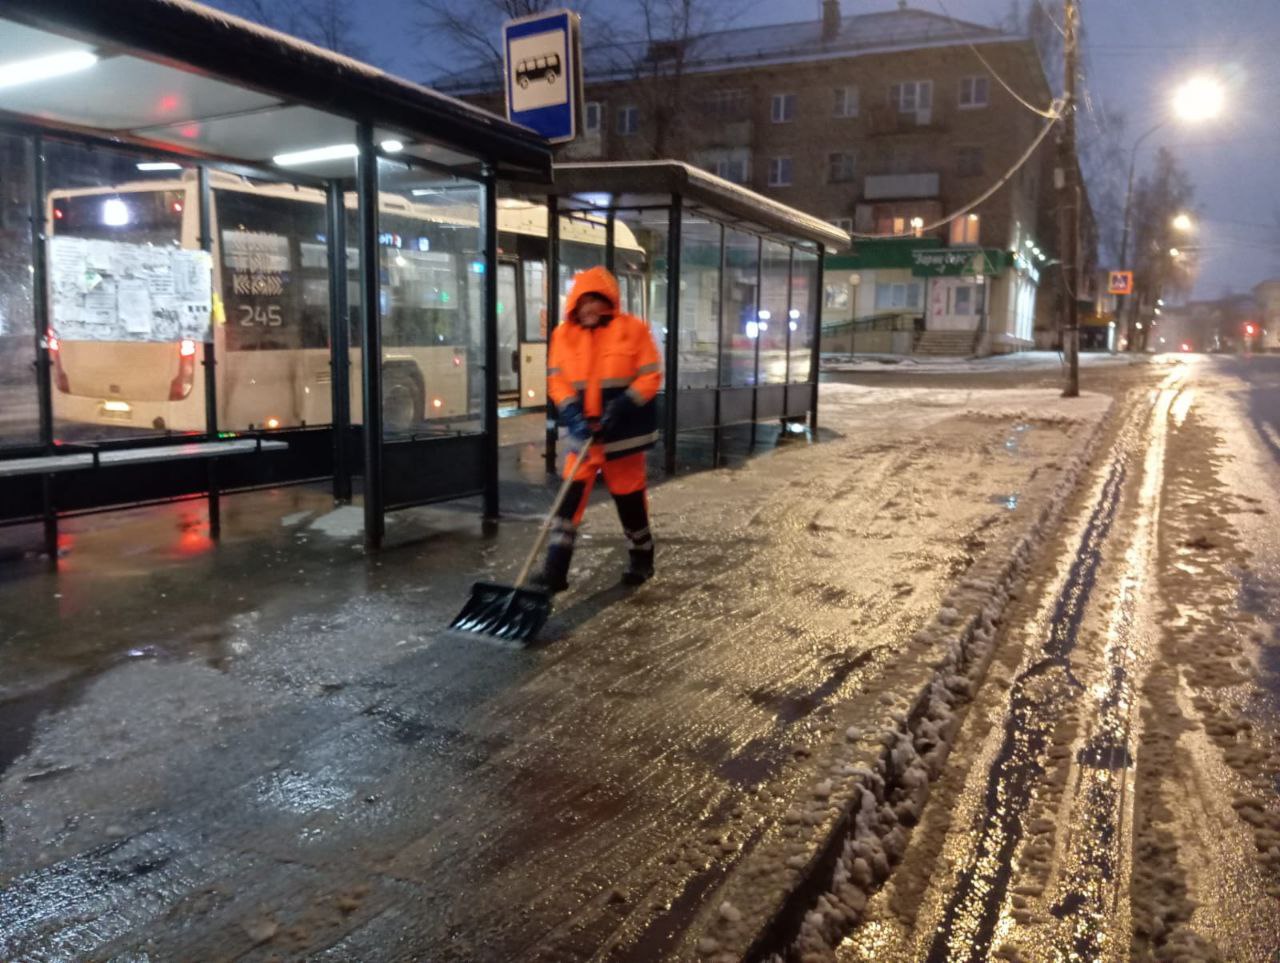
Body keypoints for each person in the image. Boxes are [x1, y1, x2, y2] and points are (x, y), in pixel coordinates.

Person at [535, 265, 662, 592]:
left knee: (630, 501)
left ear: (609, 301)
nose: (589, 307)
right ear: (574, 304)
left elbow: (650, 375)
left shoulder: (633, 330)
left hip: (622, 435)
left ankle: (642, 558)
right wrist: (572, 411)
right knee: (568, 502)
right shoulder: (562, 335)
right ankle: (554, 571)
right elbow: (556, 379)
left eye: (595, 300)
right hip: (583, 437)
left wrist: (623, 404)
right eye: (583, 301)